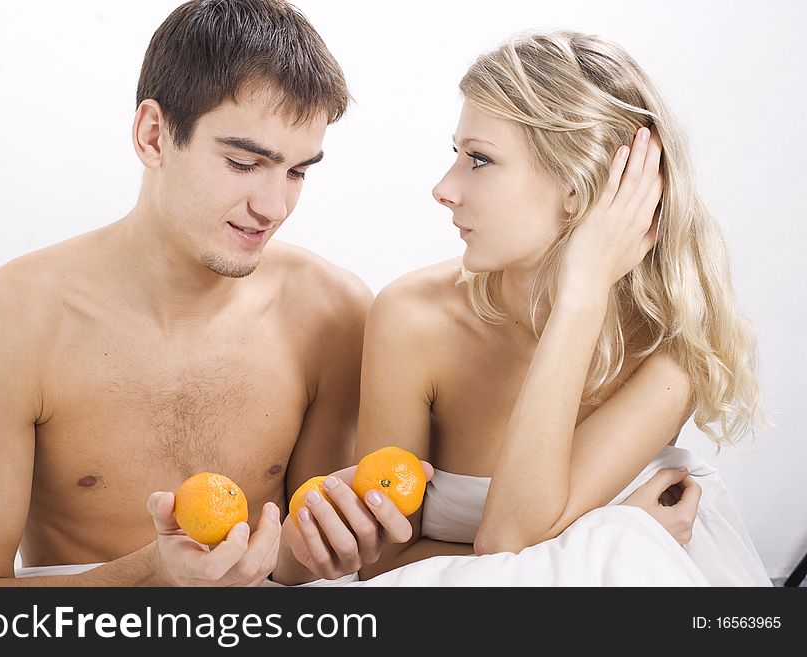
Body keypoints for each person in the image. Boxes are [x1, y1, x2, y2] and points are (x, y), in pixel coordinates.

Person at [286, 31, 770, 586]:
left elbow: (507, 538)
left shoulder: (669, 350)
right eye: (456, 154)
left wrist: (580, 296)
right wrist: (609, 533)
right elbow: (384, 564)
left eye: (480, 160)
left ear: (577, 185)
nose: (443, 189)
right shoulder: (412, 318)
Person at [0, 0, 386, 587]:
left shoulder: (334, 312)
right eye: (244, 163)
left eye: (298, 172)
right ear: (152, 136)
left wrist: (334, 547)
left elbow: (295, 558)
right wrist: (157, 576)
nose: (274, 208)